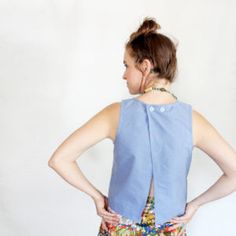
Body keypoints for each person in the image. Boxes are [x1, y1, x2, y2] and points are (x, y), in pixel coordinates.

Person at [48, 17, 236, 236]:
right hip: (170, 228)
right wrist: (194, 205)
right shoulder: (193, 120)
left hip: (119, 226)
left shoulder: (115, 114)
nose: (124, 75)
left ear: (145, 66)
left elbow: (59, 159)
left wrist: (97, 197)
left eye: (127, 65)